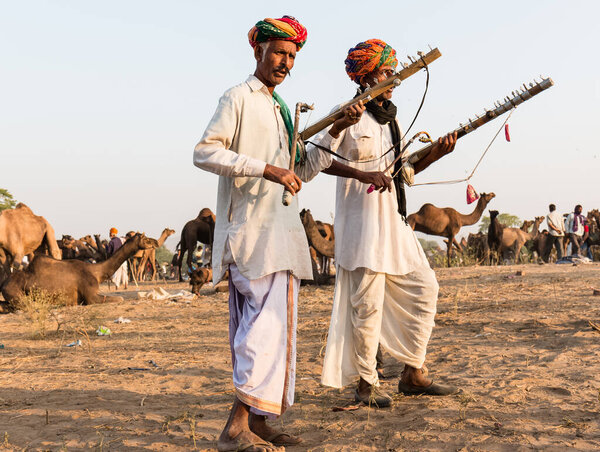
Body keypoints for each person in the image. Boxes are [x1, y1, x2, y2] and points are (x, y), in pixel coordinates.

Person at [193, 17, 391, 452]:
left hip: (277, 236)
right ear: (258, 51)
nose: (286, 62)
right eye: (280, 53)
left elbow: (300, 171)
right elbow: (205, 152)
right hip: (253, 234)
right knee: (262, 334)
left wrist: (335, 130)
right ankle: (235, 429)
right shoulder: (238, 97)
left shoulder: (280, 108)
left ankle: (259, 424)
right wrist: (265, 168)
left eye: (293, 56)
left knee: (270, 333)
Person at [315, 39, 459, 408]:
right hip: (361, 226)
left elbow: (400, 172)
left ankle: (413, 373)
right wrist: (362, 175)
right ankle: (366, 385)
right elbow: (317, 159)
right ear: (365, 76)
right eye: (384, 72)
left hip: (393, 220)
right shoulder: (345, 114)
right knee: (367, 306)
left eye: (393, 73)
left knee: (425, 288)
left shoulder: (390, 119)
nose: (392, 79)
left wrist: (435, 155)